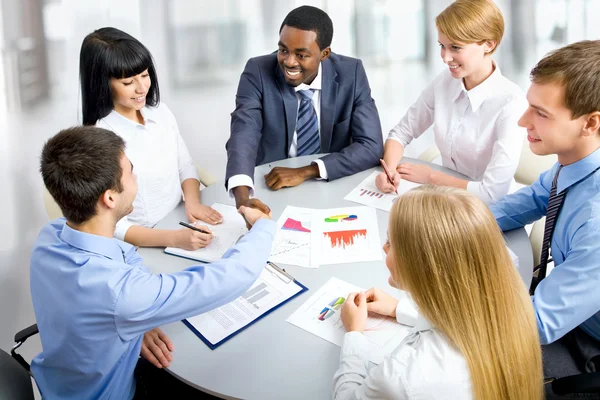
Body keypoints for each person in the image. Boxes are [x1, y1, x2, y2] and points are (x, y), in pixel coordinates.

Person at [31, 126, 274, 399]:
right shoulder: (121, 294)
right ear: (110, 197)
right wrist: (264, 228)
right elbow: (229, 278)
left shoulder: (50, 235)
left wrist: (136, 322)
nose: (137, 177)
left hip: (60, 382)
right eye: (131, 170)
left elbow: (124, 256)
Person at [334, 186, 543, 399]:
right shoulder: (512, 305)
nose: (384, 248)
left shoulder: (401, 378)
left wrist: (353, 334)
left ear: (421, 265)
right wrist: (399, 308)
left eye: (391, 242)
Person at [490, 40, 600, 398]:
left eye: (541, 113)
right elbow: (530, 200)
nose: (523, 121)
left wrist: (418, 310)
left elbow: (536, 324)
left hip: (585, 345)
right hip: (564, 314)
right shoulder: (573, 164)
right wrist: (443, 228)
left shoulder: (596, 218)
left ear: (591, 123)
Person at [226, 5, 383, 214]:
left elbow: (371, 145)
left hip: (334, 184)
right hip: (273, 188)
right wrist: (243, 198)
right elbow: (243, 133)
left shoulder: (351, 73)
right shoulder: (257, 72)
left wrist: (308, 171)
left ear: (324, 54)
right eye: (283, 50)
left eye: (301, 55)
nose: (289, 62)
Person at [80, 27, 222, 250]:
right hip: (145, 242)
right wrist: (173, 239)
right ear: (102, 83)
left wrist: (192, 203)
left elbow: (184, 165)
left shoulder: (160, 112)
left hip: (181, 223)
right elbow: (113, 225)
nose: (141, 88)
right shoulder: (100, 139)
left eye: (145, 75)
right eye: (128, 83)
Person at [376, 0, 525, 204]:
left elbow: (492, 193)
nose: (445, 58)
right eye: (442, 46)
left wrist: (431, 178)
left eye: (455, 47)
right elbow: (401, 133)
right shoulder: (445, 82)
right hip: (445, 197)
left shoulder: (511, 103)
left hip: (485, 209)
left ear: (488, 44)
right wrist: (389, 170)